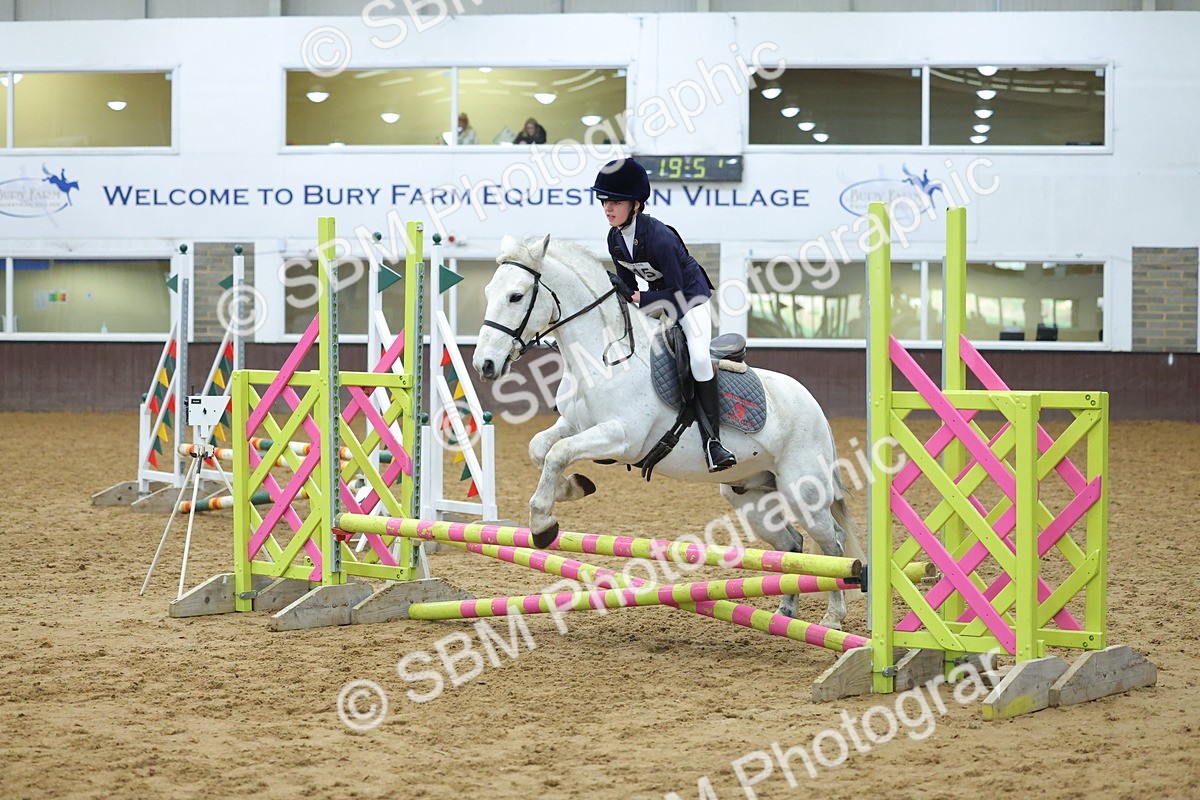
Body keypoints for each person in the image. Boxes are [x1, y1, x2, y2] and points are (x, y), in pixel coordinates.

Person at [590, 158, 736, 473]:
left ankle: (713, 442)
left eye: (615, 202)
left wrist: (639, 297)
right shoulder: (615, 239)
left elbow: (678, 292)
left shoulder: (660, 237)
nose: (608, 208)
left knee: (699, 358)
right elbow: (629, 289)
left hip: (690, 299)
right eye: (604, 201)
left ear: (636, 204)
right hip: (660, 299)